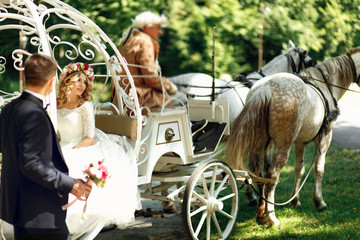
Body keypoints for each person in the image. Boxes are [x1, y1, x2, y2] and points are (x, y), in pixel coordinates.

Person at [0, 53, 92, 240]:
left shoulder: (9, 109)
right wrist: (71, 184)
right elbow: (32, 165)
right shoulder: (35, 114)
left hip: (18, 209)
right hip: (40, 211)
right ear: (52, 82)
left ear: (26, 77)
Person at [57, 62, 139, 240]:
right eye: (78, 80)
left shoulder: (85, 106)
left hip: (80, 146)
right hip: (59, 146)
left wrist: (69, 151)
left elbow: (89, 138)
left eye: (85, 82)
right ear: (67, 81)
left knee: (69, 167)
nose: (82, 85)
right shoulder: (55, 104)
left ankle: (72, 222)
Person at [112, 11, 185, 110]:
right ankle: (187, 125)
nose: (160, 32)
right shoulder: (145, 41)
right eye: (158, 28)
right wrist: (170, 87)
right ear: (147, 27)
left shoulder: (126, 42)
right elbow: (150, 78)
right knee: (182, 98)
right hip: (139, 97)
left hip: (120, 99)